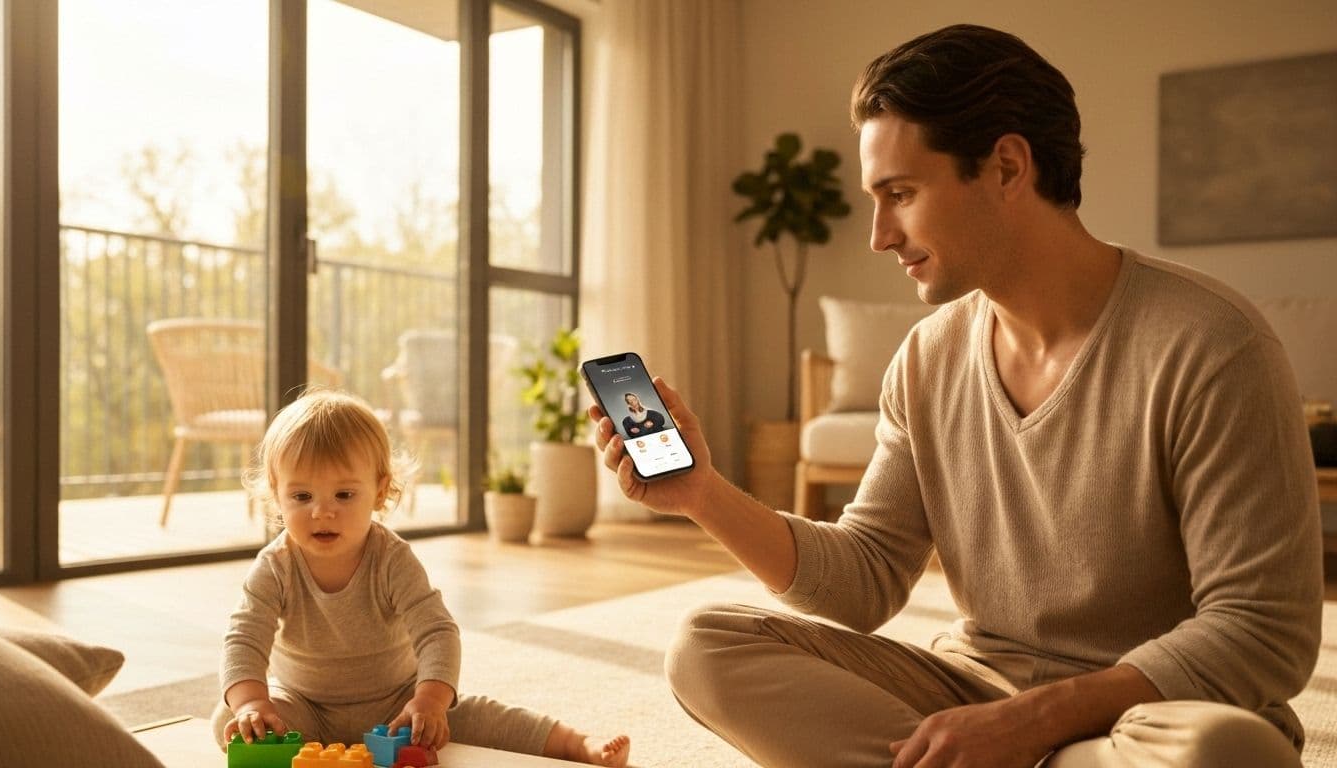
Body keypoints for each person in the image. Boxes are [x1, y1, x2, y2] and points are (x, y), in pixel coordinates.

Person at [588, 24, 1321, 768]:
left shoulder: (1210, 343)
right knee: (709, 647)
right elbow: (866, 577)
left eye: (900, 193)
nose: (879, 236)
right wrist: (703, 494)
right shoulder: (927, 359)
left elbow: (1263, 630)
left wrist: (1035, 723)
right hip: (974, 689)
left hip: (1146, 719)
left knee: (1226, 750)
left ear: (1006, 166)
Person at [212, 388, 630, 767]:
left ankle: (578, 745)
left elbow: (437, 633)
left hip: (399, 702)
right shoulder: (275, 564)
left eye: (344, 494)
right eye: (302, 496)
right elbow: (244, 636)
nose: (323, 511)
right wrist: (251, 702)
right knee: (228, 721)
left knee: (484, 717)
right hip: (305, 704)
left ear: (379, 491)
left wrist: (429, 702)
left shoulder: (392, 558)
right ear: (276, 491)